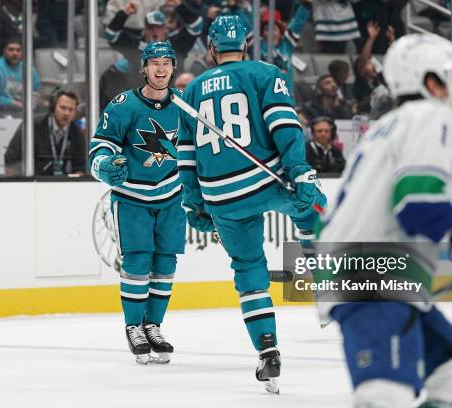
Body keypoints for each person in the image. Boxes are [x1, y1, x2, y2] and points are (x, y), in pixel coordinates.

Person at [316, 33, 452, 407]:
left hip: (363, 270)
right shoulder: (433, 116)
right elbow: (415, 202)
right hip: (373, 275)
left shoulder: (385, 126)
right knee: (385, 394)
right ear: (431, 82)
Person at [177, 15, 326, 394]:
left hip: (221, 196)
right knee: (313, 206)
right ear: (245, 43)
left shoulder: (192, 89)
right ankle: (320, 277)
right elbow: (284, 126)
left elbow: (187, 156)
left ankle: (267, 350)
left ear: (211, 49)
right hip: (268, 180)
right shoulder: (265, 72)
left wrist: (195, 203)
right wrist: (300, 170)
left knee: (248, 270)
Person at [89, 42, 185, 365]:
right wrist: (105, 166)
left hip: (172, 197)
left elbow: (198, 154)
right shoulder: (122, 106)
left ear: (173, 67)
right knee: (137, 262)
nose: (161, 69)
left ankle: (153, 325)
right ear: (143, 67)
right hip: (132, 198)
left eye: (166, 63)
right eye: (154, 63)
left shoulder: (184, 108)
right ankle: (134, 326)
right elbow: (98, 149)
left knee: (165, 264)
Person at [4, 90, 85, 176]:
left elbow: (80, 168)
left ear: (75, 113)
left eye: (71, 110)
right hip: (33, 183)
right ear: (53, 108)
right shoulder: (32, 126)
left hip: (63, 185)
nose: (66, 113)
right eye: (63, 108)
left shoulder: (77, 132)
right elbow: (11, 159)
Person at [0, 38, 41, 115]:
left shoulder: (29, 69)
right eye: (11, 50)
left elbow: (36, 92)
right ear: (4, 52)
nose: (15, 53)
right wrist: (13, 103)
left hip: (24, 113)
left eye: (18, 50)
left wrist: (32, 103)